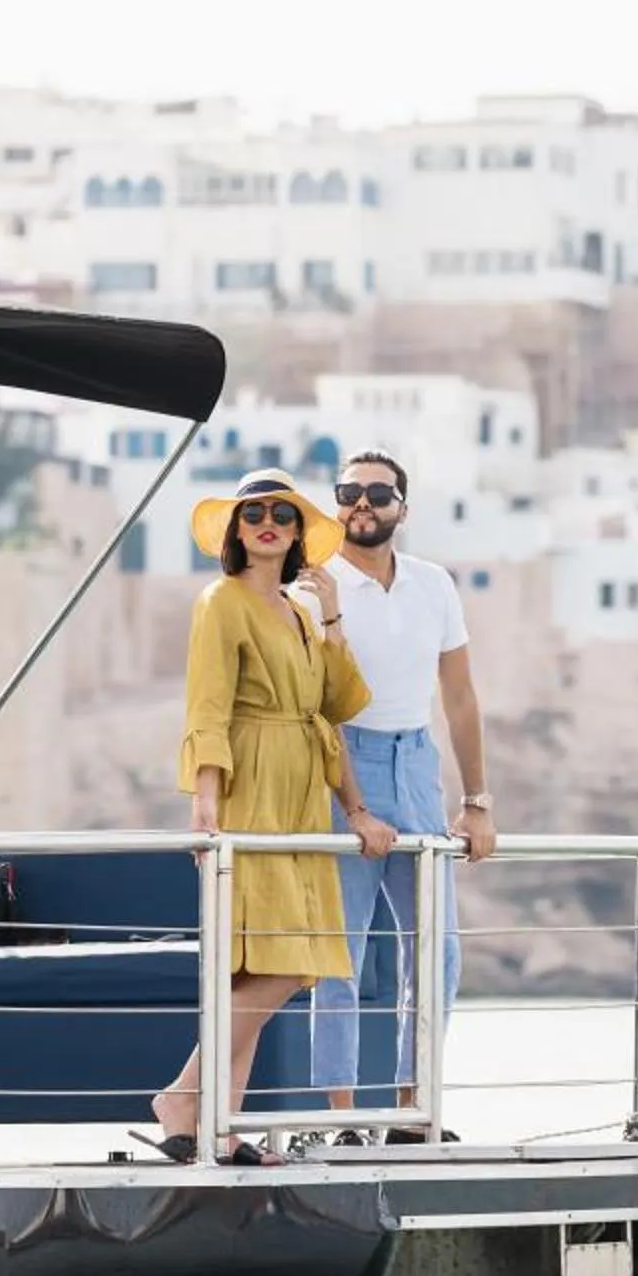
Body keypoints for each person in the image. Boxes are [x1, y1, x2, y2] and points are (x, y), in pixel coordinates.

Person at [155, 469, 395, 1164]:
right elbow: (206, 707)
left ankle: (217, 1124)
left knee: (264, 965)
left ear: (296, 534)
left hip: (301, 797)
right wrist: (205, 807)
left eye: (283, 515)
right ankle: (184, 1096)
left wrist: (332, 616)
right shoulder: (219, 602)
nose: (267, 522)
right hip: (250, 790)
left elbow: (337, 707)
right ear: (235, 529)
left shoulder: (297, 611)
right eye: (253, 512)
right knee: (280, 962)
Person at [314, 448, 493, 1141]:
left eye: (378, 494)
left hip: (416, 762)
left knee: (437, 950)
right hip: (343, 761)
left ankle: (410, 1113)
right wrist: (350, 799)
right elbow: (318, 705)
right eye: (349, 492)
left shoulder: (433, 585)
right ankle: (343, 1120)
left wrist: (477, 800)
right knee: (340, 954)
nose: (363, 504)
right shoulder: (314, 588)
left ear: (402, 510)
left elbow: (460, 695)